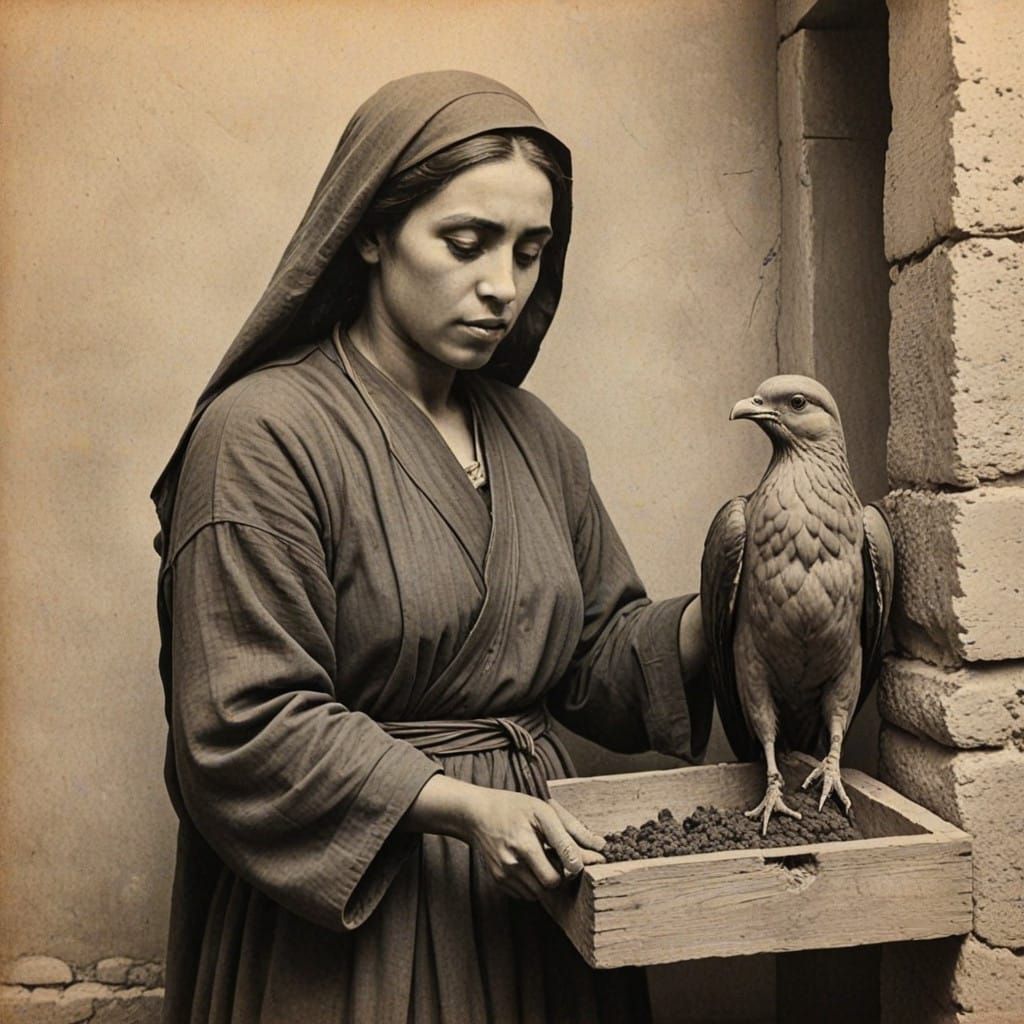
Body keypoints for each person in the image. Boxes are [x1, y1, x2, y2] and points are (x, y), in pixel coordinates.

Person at [151, 70, 712, 1024]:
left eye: (531, 252)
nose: (503, 285)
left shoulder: (539, 439)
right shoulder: (260, 435)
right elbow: (242, 721)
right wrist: (460, 807)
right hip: (353, 926)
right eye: (467, 243)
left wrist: (738, 605)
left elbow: (592, 662)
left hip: (541, 903)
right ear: (371, 231)